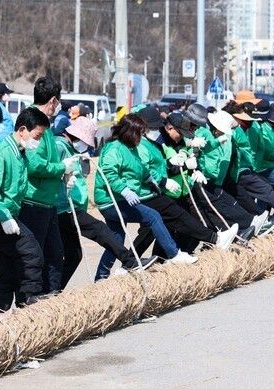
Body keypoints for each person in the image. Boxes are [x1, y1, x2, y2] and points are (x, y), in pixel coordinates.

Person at [56, 115, 157, 283]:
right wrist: (61, 173)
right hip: (62, 207)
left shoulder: (70, 149)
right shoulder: (59, 146)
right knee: (100, 230)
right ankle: (130, 261)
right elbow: (50, 171)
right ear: (76, 136)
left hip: (72, 206)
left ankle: (54, 293)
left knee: (74, 255)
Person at [94, 114, 198, 274]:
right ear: (130, 132)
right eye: (139, 133)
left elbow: (140, 167)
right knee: (153, 216)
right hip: (110, 201)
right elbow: (110, 174)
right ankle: (174, 254)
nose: (141, 137)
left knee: (115, 242)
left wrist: (150, 178)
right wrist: (125, 190)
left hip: (118, 199)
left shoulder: (130, 148)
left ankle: (101, 279)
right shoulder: (114, 148)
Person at [131, 105, 239, 256]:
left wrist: (194, 167)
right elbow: (147, 170)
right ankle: (130, 262)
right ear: (169, 128)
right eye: (180, 133)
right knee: (153, 229)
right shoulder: (149, 144)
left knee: (175, 226)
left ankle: (163, 259)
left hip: (176, 189)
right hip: (156, 191)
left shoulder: (166, 141)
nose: (182, 136)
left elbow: (180, 156)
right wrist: (167, 175)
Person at [0, 108, 47, 310]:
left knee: (7, 274)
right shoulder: (0, 153)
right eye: (37, 135)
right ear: (22, 129)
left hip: (2, 214)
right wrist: (4, 216)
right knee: (32, 252)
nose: (37, 141)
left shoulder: (19, 153)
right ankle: (30, 299)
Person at [19, 76, 77, 293]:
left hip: (47, 200)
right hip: (34, 201)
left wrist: (63, 173)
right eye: (58, 102)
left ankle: (50, 298)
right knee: (39, 257)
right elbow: (35, 164)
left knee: (55, 254)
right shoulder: (34, 123)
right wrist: (61, 168)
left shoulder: (46, 124)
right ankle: (33, 300)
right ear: (53, 100)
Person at [183, 103, 267, 239]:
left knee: (210, 208)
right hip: (193, 178)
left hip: (203, 175)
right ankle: (242, 226)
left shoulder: (202, 130)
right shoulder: (195, 130)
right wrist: (191, 150)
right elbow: (186, 152)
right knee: (204, 211)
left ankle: (239, 228)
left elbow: (204, 148)